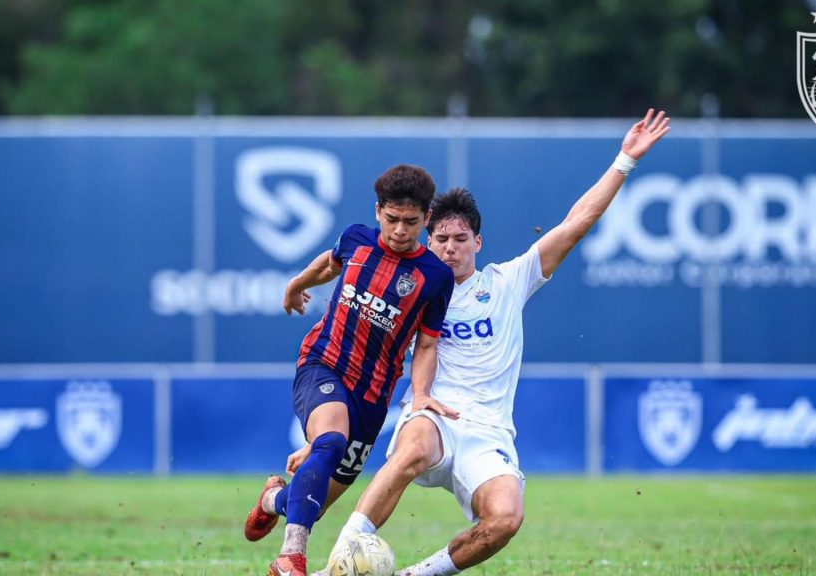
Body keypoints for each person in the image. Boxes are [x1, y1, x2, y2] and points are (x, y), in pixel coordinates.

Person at [308, 109, 671, 576]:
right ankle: (342, 561)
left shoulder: (508, 281)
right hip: (433, 413)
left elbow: (577, 222)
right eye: (440, 238)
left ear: (478, 242)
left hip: (489, 430)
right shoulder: (410, 286)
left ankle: (414, 575)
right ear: (426, 238)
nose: (450, 247)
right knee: (414, 447)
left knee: (506, 518)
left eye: (461, 238)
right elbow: (355, 331)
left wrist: (625, 159)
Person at [244, 164, 458, 576]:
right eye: (392, 219)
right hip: (323, 364)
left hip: (373, 396)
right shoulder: (357, 238)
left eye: (411, 222)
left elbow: (427, 342)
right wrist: (296, 284)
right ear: (378, 211)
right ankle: (292, 558)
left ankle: (273, 499)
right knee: (330, 440)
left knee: (311, 502)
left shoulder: (435, 276)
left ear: (426, 219)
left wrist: (423, 392)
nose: (399, 230)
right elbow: (329, 263)